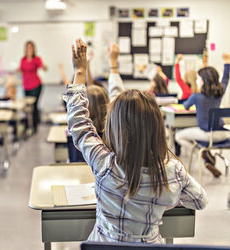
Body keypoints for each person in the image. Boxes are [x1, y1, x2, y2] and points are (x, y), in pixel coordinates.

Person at [65, 38, 207, 243]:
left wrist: (79, 72)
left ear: (114, 127)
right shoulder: (172, 171)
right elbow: (200, 201)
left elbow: (79, 124)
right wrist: (168, 196)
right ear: (156, 128)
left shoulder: (104, 164)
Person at [175, 53, 230, 177]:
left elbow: (185, 106)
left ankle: (203, 155)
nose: (196, 80)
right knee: (195, 135)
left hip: (207, 134)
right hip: (224, 134)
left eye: (198, 78)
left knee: (178, 136)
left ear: (203, 81)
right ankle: (206, 155)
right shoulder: (219, 93)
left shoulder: (196, 96)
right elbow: (225, 79)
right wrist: (227, 62)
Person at [19, 41, 47, 133]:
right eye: (28, 47)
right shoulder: (23, 59)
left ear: (33, 49)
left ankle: (35, 126)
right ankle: (27, 126)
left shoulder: (36, 59)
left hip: (36, 85)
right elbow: (21, 70)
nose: (29, 49)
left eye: (31, 47)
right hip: (26, 86)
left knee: (34, 106)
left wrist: (44, 67)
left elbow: (42, 66)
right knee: (26, 107)